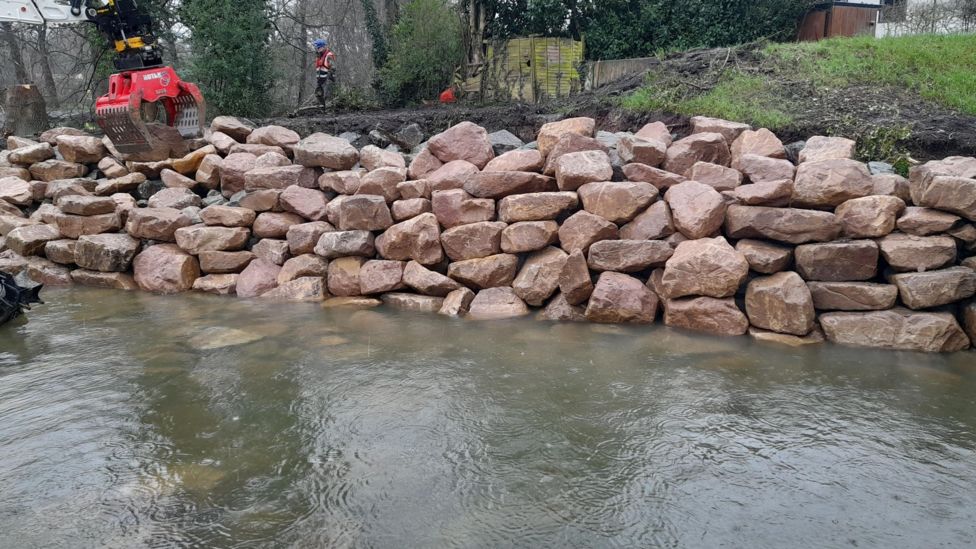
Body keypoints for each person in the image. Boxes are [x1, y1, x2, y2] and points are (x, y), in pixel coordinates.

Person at [313, 38, 336, 107]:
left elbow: (333, 67)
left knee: (328, 97)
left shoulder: (329, 55)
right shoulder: (318, 56)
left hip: (327, 80)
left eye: (318, 47)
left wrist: (329, 77)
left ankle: (330, 112)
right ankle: (321, 109)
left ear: (323, 47)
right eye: (317, 47)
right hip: (320, 80)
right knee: (318, 95)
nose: (317, 49)